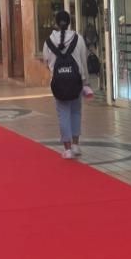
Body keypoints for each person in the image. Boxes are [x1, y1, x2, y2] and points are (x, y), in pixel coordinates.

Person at [41, 9, 91, 158]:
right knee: (76, 112)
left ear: (56, 23)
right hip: (76, 82)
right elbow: (83, 61)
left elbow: (46, 61)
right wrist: (86, 81)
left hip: (58, 83)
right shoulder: (78, 38)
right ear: (70, 22)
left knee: (63, 114)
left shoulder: (48, 41)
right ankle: (76, 145)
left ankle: (67, 149)